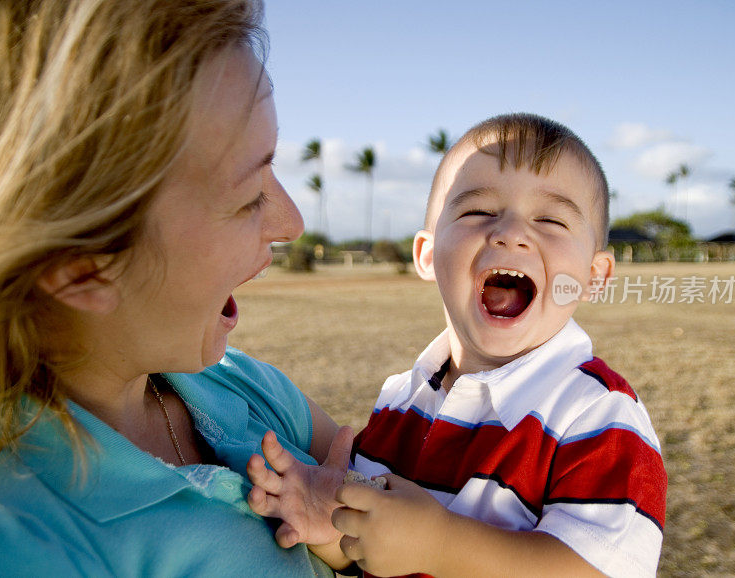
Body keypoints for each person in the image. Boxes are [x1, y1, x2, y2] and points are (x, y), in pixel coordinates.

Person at [0, 1, 352, 575]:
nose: (291, 223)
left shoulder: (247, 389)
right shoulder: (17, 537)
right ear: (84, 266)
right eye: (250, 197)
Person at [246, 113, 668, 577]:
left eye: (550, 219)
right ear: (427, 255)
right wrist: (330, 527)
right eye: (478, 211)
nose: (511, 232)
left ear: (593, 276)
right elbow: (371, 545)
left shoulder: (597, 414)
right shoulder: (400, 401)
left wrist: (441, 545)